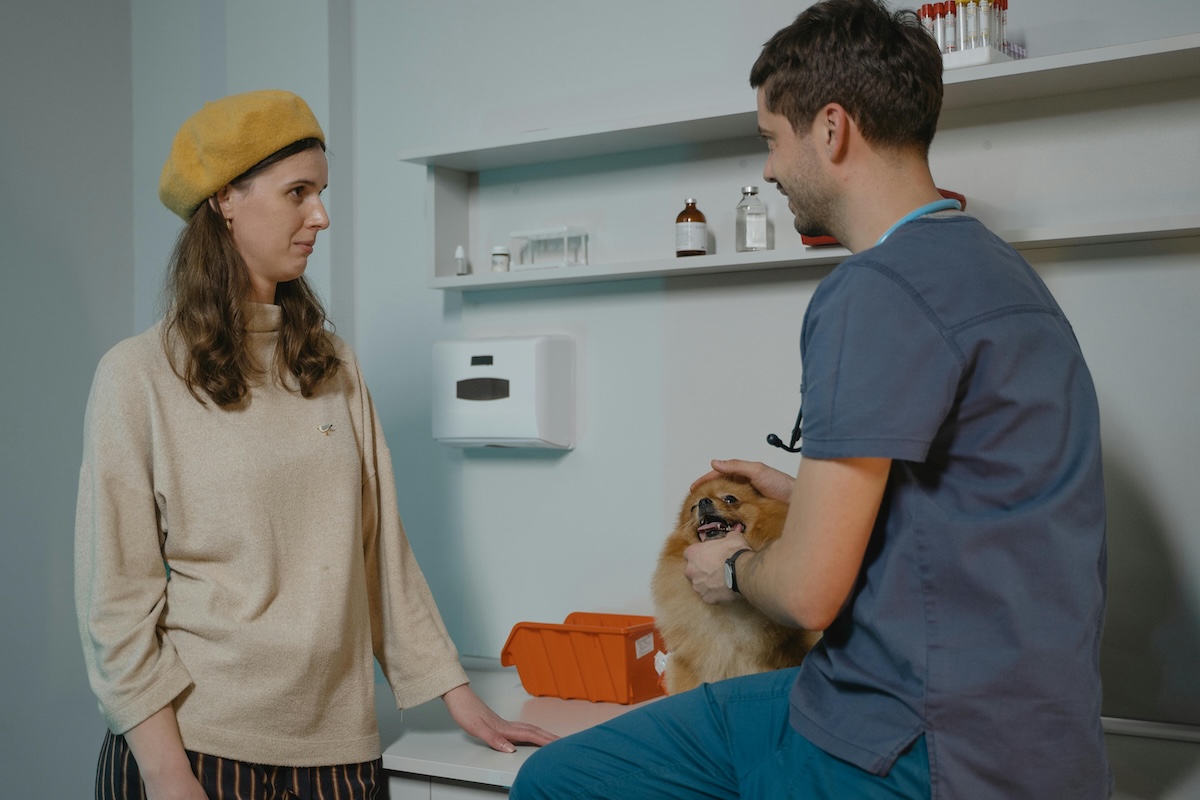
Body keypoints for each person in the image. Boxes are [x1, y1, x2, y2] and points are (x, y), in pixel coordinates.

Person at [510, 1, 1110, 797]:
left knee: (557, 780)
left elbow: (806, 593)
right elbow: (979, 510)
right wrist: (806, 496)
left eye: (771, 140)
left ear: (830, 130)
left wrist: (734, 567)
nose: (767, 170)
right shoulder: (1008, 278)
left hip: (916, 746)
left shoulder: (872, 289)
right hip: (1042, 740)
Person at [75, 89, 554, 800]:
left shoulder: (332, 365)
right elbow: (115, 599)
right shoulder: (138, 375)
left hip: (340, 751)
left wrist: (458, 695)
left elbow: (379, 549)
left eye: (321, 193)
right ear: (225, 199)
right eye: (298, 192)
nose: (320, 217)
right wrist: (166, 772)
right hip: (197, 748)